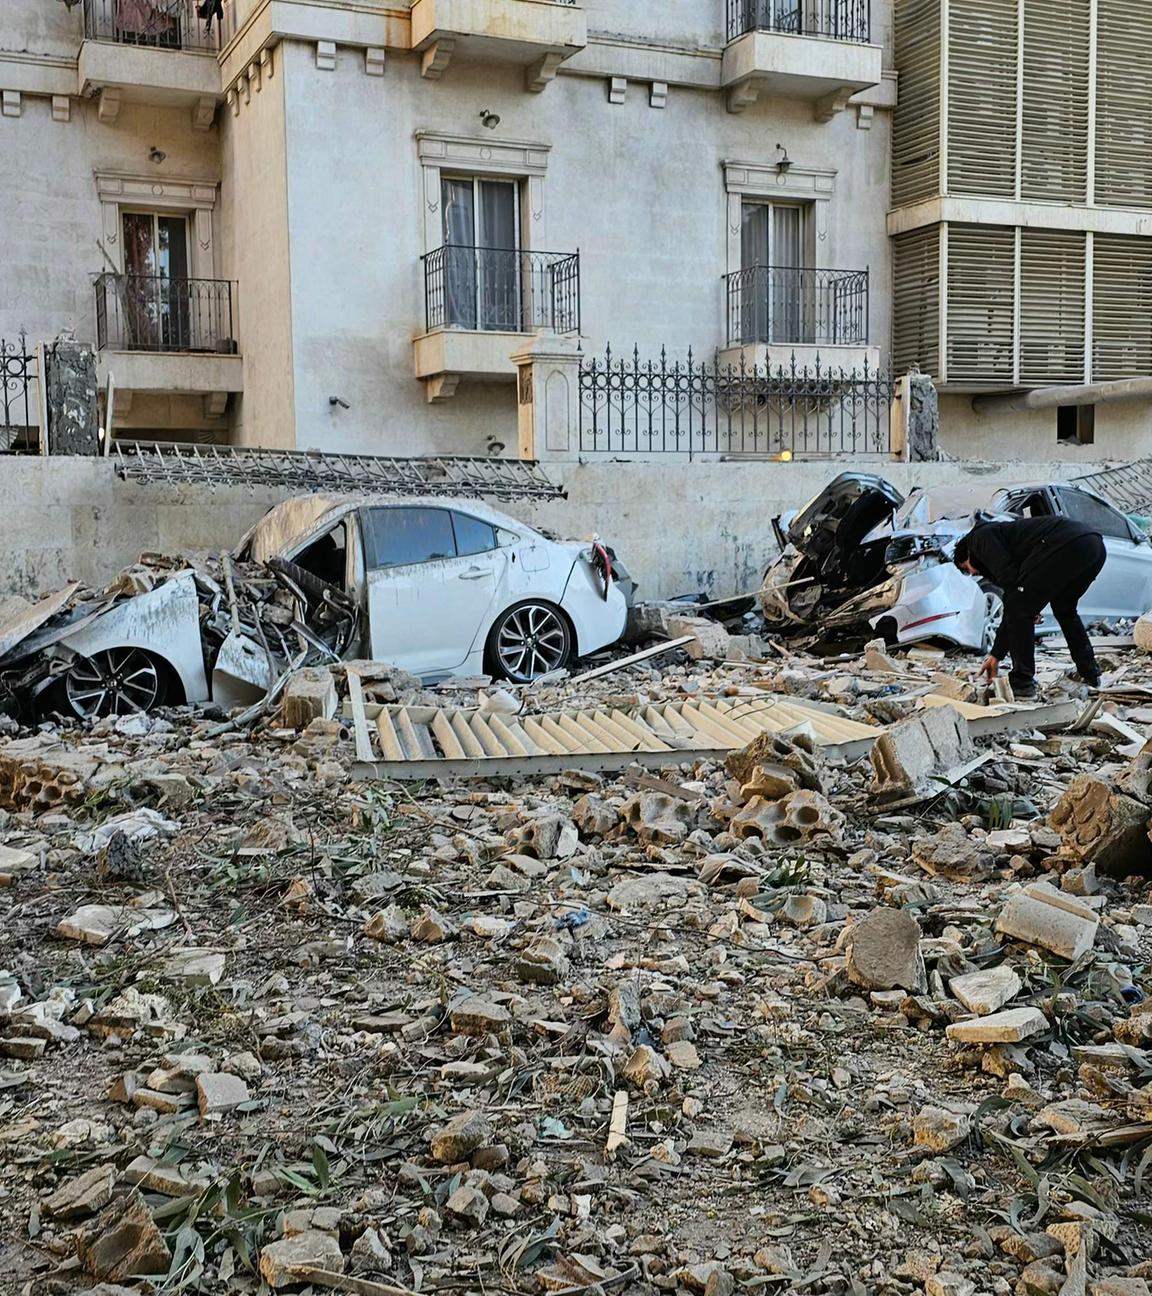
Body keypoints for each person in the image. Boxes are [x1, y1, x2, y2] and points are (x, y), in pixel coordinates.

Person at [953, 516, 1106, 697]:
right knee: (1065, 610)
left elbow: (1011, 585)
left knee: (1020, 606)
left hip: (1065, 544)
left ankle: (1022, 683)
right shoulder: (1003, 536)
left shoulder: (978, 539)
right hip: (1094, 546)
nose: (974, 572)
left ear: (967, 555)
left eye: (968, 569)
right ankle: (1090, 673)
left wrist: (997, 653)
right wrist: (997, 653)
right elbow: (1019, 592)